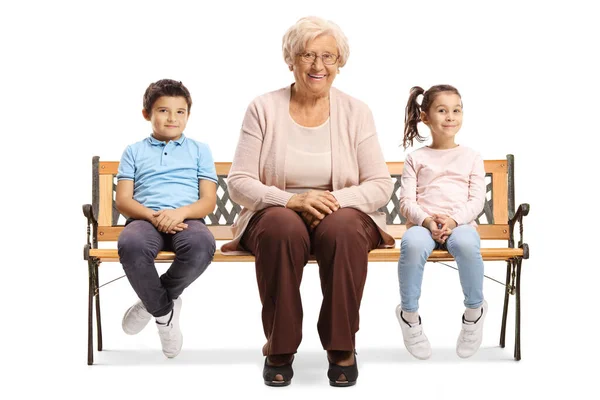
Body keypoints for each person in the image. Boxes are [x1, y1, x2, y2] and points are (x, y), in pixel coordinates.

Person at [221, 16, 394, 387]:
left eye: (328, 57)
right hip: (278, 212)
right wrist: (290, 200)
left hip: (341, 211)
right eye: (308, 55)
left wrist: (332, 200)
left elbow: (380, 184)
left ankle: (341, 345)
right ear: (291, 60)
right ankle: (280, 346)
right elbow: (238, 181)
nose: (318, 66)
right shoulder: (263, 108)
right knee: (283, 228)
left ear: (340, 63)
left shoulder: (356, 111)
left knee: (344, 229)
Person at [115, 79, 217, 359]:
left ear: (188, 115)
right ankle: (164, 314)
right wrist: (153, 215)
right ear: (147, 114)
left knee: (201, 246)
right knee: (132, 245)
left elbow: (208, 201)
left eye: (180, 111)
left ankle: (153, 303)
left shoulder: (200, 150)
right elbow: (123, 200)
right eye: (163, 110)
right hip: (144, 219)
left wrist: (179, 213)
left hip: (187, 219)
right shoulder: (134, 151)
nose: (172, 118)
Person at [395, 85, 487, 360]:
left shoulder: (471, 156)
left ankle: (474, 312)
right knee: (411, 245)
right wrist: (426, 220)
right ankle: (409, 314)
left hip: (460, 225)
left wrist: (453, 219)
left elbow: (477, 200)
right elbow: (406, 202)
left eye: (456, 110)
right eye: (442, 110)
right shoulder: (416, 159)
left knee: (468, 245)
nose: (450, 117)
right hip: (424, 227)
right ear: (425, 117)